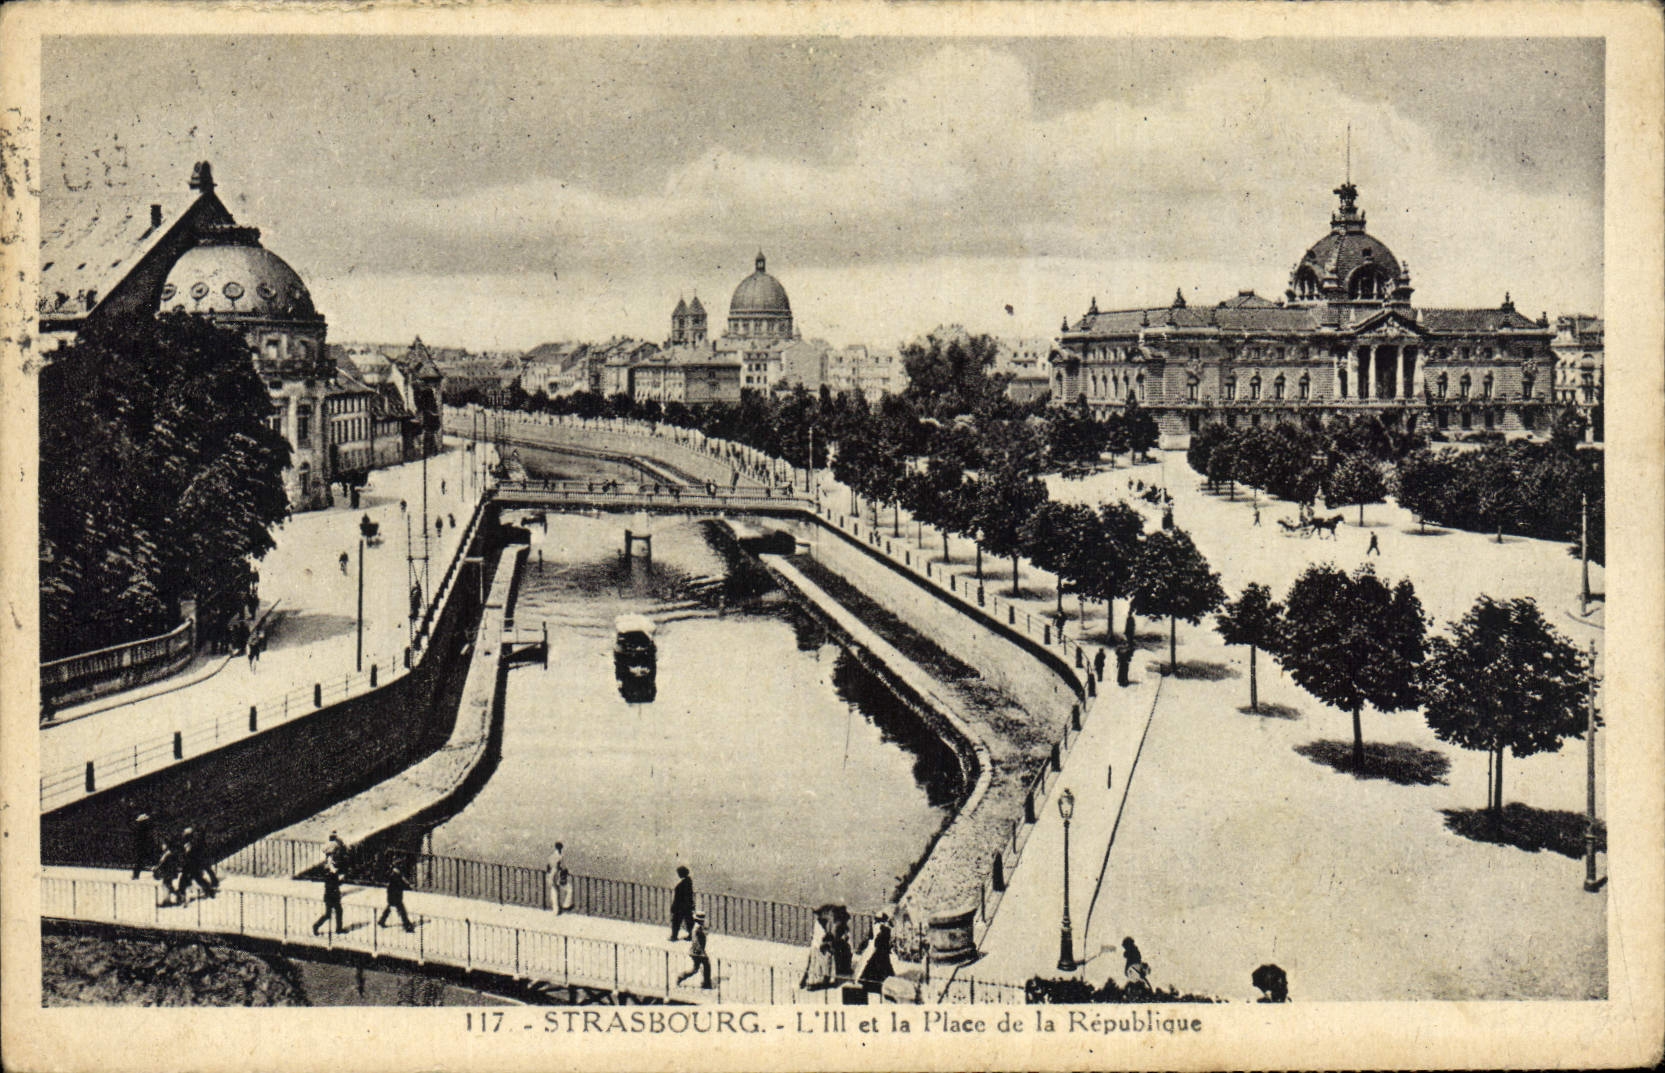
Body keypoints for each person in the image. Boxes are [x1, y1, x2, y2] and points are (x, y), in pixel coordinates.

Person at [674, 912, 712, 989]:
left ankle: (705, 982)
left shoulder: (698, 927)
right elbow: (696, 941)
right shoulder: (697, 928)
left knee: (698, 968)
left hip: (697, 951)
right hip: (697, 952)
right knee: (704, 966)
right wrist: (701, 952)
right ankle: (706, 983)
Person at [858, 913, 894, 990]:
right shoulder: (885, 929)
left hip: (877, 949)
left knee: (873, 964)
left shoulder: (877, 926)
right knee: (881, 965)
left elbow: (872, 938)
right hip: (881, 950)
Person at [379, 861, 415, 931]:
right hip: (396, 897)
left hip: (392, 896)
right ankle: (407, 926)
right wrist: (409, 887)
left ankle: (382, 921)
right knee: (402, 912)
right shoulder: (396, 876)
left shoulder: (394, 874)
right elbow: (401, 885)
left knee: (390, 909)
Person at [312, 864, 345, 936]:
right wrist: (339, 880)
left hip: (333, 897)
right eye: (335, 868)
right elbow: (332, 885)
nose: (336, 870)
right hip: (330, 898)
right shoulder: (329, 875)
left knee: (338, 911)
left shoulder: (334, 874)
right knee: (329, 914)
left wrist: (341, 880)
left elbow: (337, 884)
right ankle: (316, 926)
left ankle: (339, 929)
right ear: (331, 868)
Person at [669, 866, 696, 940]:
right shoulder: (688, 882)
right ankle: (691, 935)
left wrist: (674, 906)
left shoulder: (683, 883)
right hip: (686, 906)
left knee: (676, 921)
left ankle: (674, 936)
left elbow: (678, 897)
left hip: (680, 906)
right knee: (689, 921)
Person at [129, 811, 155, 880]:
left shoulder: (140, 829)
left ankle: (136, 875)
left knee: (140, 861)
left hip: (142, 847)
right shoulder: (144, 829)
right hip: (143, 847)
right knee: (140, 861)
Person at [549, 842, 572, 914]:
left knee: (554, 892)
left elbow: (549, 867)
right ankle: (566, 904)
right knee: (569, 889)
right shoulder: (560, 857)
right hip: (558, 876)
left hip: (551, 876)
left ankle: (555, 910)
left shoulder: (551, 856)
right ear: (561, 848)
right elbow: (562, 867)